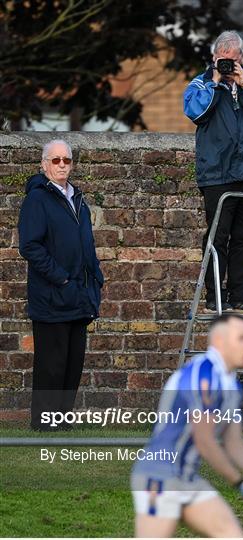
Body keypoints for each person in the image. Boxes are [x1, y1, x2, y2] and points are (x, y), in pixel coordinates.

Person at [130, 314, 243, 538]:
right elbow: (205, 441)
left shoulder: (232, 386)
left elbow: (234, 444)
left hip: (187, 478)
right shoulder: (202, 374)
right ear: (219, 341)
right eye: (242, 338)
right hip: (158, 477)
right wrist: (238, 481)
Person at [184, 30, 243, 313]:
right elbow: (195, 112)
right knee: (218, 236)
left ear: (242, 58)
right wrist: (215, 84)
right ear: (213, 58)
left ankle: (240, 294)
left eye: (232, 60)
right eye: (221, 60)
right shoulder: (201, 82)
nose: (226, 65)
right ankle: (215, 295)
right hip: (217, 173)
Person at [18, 139, 104, 431]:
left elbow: (86, 245)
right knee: (51, 365)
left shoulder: (76, 198)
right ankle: (44, 423)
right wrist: (62, 277)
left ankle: (62, 421)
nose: (62, 165)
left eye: (66, 160)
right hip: (52, 295)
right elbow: (30, 246)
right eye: (55, 160)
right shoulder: (38, 199)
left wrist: (95, 279)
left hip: (79, 295)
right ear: (44, 165)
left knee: (72, 364)